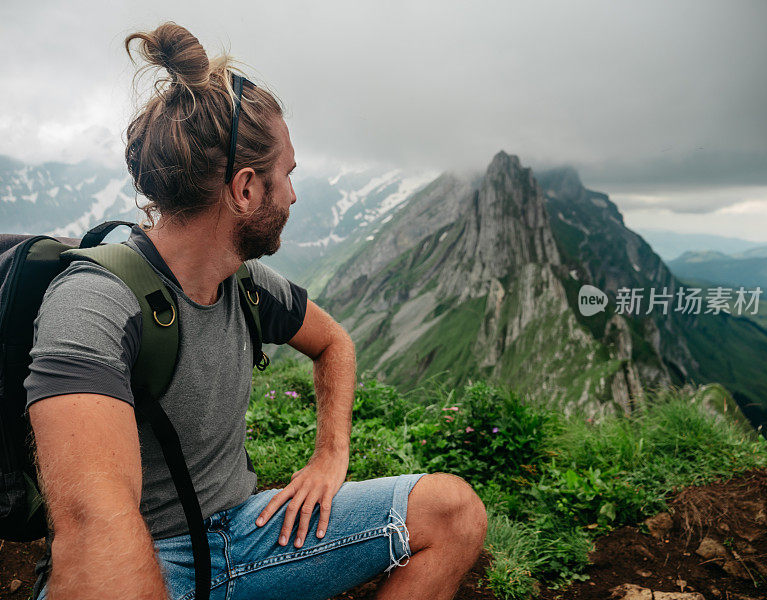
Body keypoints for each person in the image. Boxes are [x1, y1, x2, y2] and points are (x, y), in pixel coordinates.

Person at [25, 21, 487, 600]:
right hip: (147, 556)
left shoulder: (243, 283)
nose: (293, 195)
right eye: (286, 175)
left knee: (455, 515)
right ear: (245, 189)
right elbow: (97, 532)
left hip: (245, 533)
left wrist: (329, 457)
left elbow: (333, 342)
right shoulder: (94, 303)